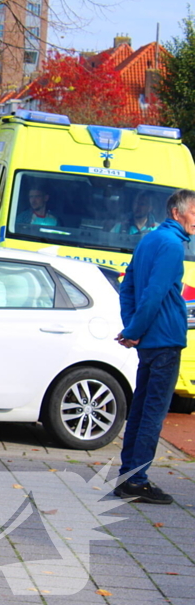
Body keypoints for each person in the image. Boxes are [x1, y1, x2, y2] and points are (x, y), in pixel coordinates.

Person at [114, 188, 195, 504]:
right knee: (152, 413)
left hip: (148, 341)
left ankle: (127, 477)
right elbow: (155, 294)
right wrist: (134, 330)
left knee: (140, 410)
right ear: (177, 212)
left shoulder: (148, 239)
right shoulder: (173, 245)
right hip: (164, 340)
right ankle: (136, 480)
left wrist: (133, 329)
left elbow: (128, 287)